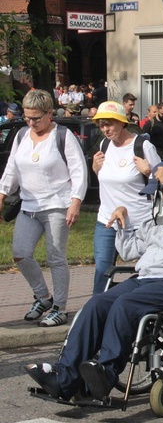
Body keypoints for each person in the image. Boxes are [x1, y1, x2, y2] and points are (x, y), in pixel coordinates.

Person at [24, 161, 163, 401]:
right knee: (97, 304)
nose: (157, 196)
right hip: (148, 277)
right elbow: (130, 251)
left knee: (125, 305)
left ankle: (105, 373)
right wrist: (122, 224)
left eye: (161, 189)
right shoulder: (159, 213)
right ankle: (64, 378)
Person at [0, 89, 87, 327]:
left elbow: (78, 170)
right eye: (28, 117)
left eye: (36, 118)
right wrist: (2, 193)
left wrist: (75, 201)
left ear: (50, 113)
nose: (31, 122)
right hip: (29, 206)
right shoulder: (21, 136)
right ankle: (43, 297)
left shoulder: (63, 135)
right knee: (20, 253)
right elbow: (12, 169)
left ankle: (60, 306)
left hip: (58, 205)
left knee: (55, 257)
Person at [90, 101, 161, 294]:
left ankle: (142, 309)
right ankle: (98, 311)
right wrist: (95, 169)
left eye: (110, 124)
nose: (105, 129)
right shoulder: (104, 145)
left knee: (147, 270)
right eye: (102, 124)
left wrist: (148, 172)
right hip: (107, 220)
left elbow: (162, 180)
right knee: (102, 269)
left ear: (123, 122)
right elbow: (107, 180)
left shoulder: (142, 146)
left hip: (140, 222)